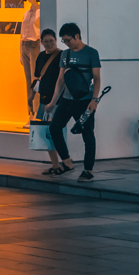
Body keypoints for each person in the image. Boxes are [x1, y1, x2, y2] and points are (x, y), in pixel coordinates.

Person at [45, 21, 102, 181]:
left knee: (88, 135)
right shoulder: (65, 54)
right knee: (54, 128)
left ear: (77, 36)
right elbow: (61, 79)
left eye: (68, 40)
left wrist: (94, 100)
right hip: (67, 100)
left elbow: (97, 78)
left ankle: (88, 169)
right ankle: (67, 162)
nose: (66, 43)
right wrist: (52, 102)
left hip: (84, 101)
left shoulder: (91, 53)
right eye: (64, 41)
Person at [31, 27, 62, 174]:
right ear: (42, 43)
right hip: (44, 100)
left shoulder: (62, 55)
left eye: (51, 41)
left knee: (54, 132)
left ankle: (63, 163)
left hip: (57, 101)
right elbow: (37, 77)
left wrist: (54, 101)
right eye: (46, 41)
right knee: (45, 132)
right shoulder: (41, 56)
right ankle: (56, 164)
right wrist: (31, 96)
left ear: (56, 41)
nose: (49, 44)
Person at [20, 0, 40, 88]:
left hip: (34, 45)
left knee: (34, 78)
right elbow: (22, 33)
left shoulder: (40, 13)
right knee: (28, 78)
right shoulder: (26, 14)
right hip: (25, 45)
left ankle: (36, 103)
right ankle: (29, 103)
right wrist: (21, 52)